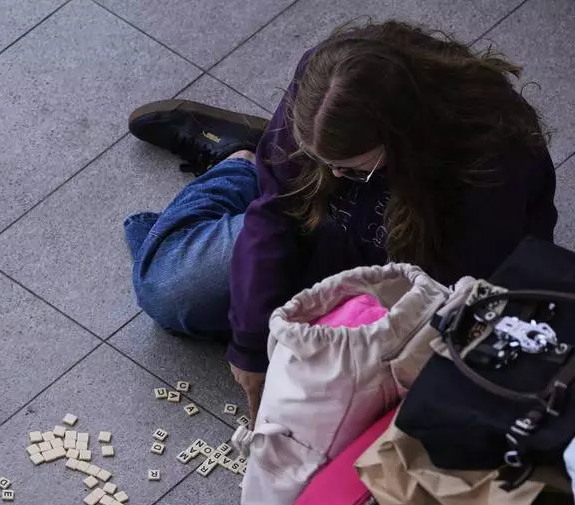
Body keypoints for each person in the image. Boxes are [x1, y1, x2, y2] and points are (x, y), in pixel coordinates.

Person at [125, 20, 557, 417]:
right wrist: (252, 345)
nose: (333, 174)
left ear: (402, 142)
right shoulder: (322, 84)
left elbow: (454, 301)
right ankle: (243, 162)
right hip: (322, 227)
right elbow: (276, 213)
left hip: (422, 275)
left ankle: (260, 162)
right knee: (169, 291)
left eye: (351, 169)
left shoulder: (489, 167)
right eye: (318, 158)